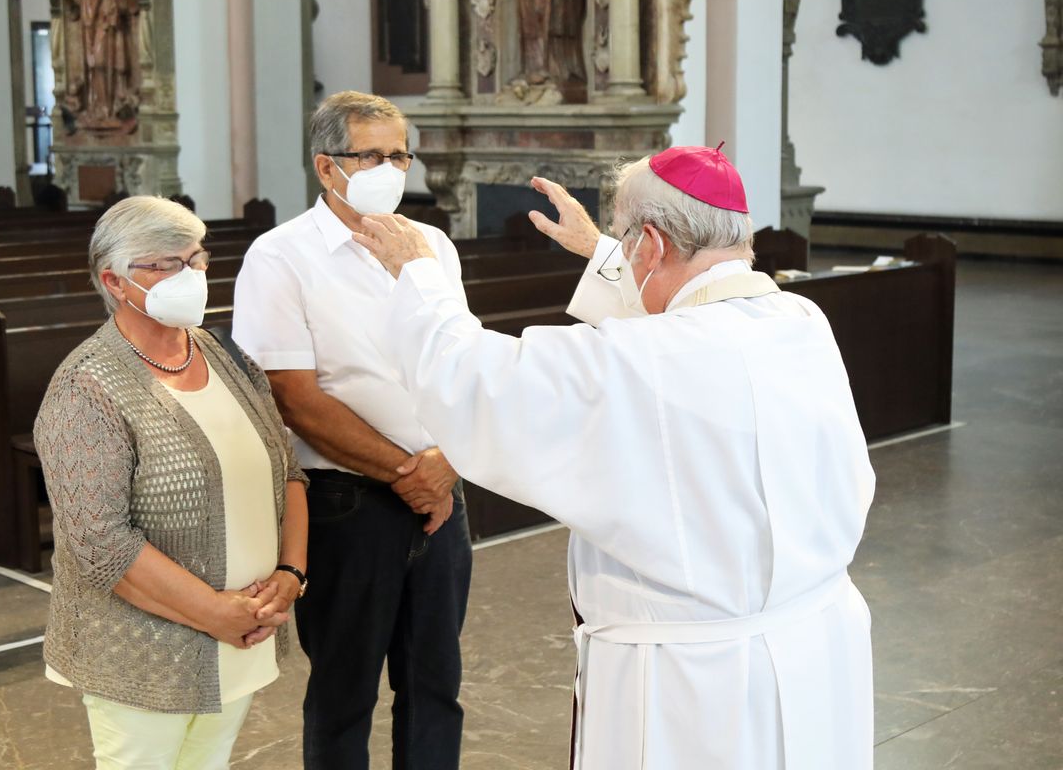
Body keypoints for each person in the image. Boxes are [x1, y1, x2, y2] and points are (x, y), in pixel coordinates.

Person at [351, 146, 876, 769]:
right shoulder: (801, 319)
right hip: (814, 642)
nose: (624, 252)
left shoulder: (640, 359)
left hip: (691, 682)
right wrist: (604, 250)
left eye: (628, 242)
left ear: (651, 241)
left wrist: (418, 274)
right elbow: (676, 314)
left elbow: (474, 378)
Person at [232, 91, 473, 770]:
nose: (392, 168)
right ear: (327, 167)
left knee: (436, 685)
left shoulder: (433, 246)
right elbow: (292, 397)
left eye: (400, 154)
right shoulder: (281, 258)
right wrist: (411, 474)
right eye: (372, 154)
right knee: (344, 692)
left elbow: (461, 359)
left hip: (442, 493)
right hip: (349, 504)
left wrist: (445, 463)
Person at [34, 196, 310, 769]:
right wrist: (215, 613)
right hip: (144, 654)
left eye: (196, 259)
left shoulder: (226, 356)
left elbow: (288, 471)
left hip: (244, 632)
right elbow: (101, 545)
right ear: (114, 280)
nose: (190, 276)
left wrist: (290, 573)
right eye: (165, 265)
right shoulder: (88, 387)